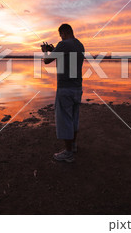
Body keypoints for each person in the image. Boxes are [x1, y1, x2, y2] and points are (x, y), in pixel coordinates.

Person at [42, 23, 85, 163]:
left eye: (61, 35)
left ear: (63, 33)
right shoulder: (80, 45)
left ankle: (68, 153)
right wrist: (54, 49)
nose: (61, 37)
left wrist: (45, 51)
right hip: (77, 87)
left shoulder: (64, 44)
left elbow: (47, 60)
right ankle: (72, 146)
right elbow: (66, 57)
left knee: (65, 119)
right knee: (73, 118)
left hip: (65, 88)